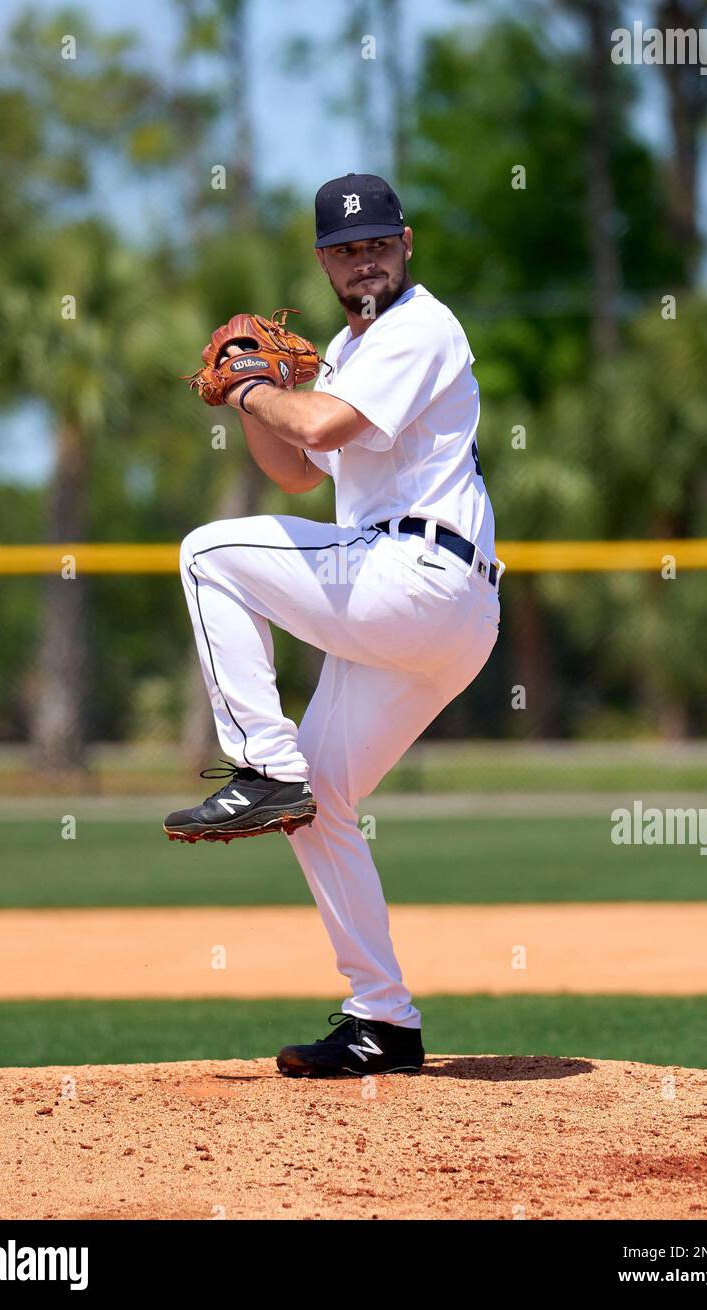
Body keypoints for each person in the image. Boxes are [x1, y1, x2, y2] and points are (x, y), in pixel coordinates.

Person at [165, 173, 503, 1077]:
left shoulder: (421, 327)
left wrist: (253, 393)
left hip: (419, 575)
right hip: (425, 612)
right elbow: (301, 472)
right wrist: (255, 397)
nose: (366, 261)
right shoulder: (350, 355)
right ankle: (383, 1020)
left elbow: (318, 421)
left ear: (407, 245)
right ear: (323, 261)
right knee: (322, 801)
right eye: (348, 250)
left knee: (205, 554)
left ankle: (260, 763)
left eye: (379, 244)